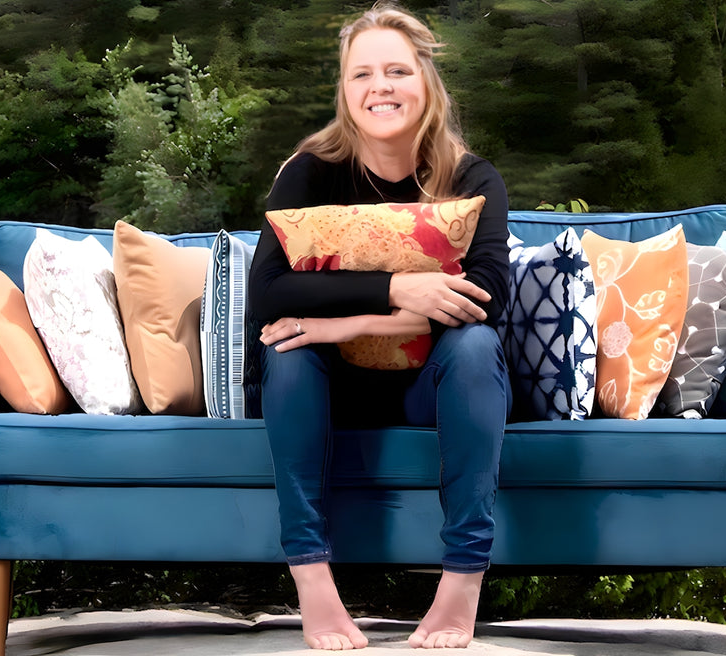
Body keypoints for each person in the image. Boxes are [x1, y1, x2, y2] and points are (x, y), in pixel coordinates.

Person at [247, 3, 511, 650]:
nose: (380, 87)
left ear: (427, 83)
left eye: (397, 70)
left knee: (476, 344)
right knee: (287, 346)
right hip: (324, 383)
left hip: (432, 383)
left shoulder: (472, 178)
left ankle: (462, 584)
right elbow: (267, 292)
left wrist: (355, 320)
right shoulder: (309, 172)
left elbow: (490, 295)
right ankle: (312, 582)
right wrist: (396, 291)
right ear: (344, 91)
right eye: (362, 74)